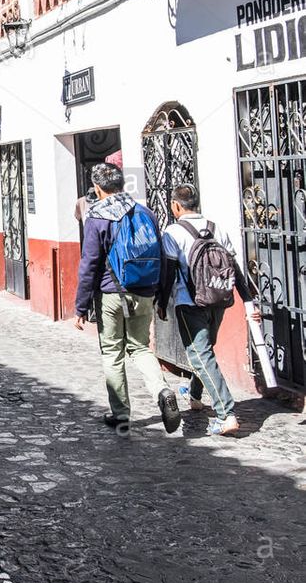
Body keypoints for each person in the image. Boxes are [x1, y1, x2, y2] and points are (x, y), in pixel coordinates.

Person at [73, 162, 179, 434]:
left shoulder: (97, 217)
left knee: (112, 352)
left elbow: (90, 264)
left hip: (111, 293)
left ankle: (121, 415)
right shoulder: (145, 212)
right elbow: (163, 256)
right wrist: (161, 295)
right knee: (140, 348)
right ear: (122, 185)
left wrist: (81, 306)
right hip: (144, 291)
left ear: (98, 188)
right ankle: (163, 391)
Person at [158, 184, 259, 437]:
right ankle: (194, 395)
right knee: (205, 352)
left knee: (200, 356)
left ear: (176, 205)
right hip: (218, 298)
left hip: (189, 301)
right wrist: (247, 300)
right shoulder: (216, 228)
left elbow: (169, 273)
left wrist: (161, 303)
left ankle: (226, 413)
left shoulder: (173, 232)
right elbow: (234, 268)